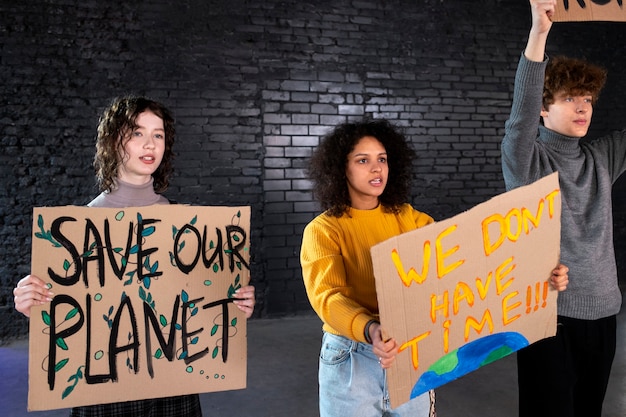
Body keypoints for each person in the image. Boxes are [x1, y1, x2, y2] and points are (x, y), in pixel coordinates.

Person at [300, 118, 569, 417]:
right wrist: (370, 328)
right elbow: (328, 296)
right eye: (363, 160)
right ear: (341, 169)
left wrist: (538, 272)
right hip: (352, 358)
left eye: (382, 159)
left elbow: (468, 262)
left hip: (409, 350)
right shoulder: (323, 230)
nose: (376, 169)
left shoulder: (410, 219)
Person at [13, 96, 256, 417]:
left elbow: (195, 304)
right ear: (114, 141)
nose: (150, 144)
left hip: (171, 382)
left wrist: (234, 303)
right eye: (137, 133)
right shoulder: (77, 229)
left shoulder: (186, 228)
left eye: (158, 134)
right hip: (101, 388)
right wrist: (34, 302)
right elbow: (70, 314)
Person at [501, 1, 624, 416]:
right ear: (543, 107)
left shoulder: (600, 159)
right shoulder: (526, 158)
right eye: (571, 98)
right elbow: (519, 115)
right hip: (548, 315)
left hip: (605, 313)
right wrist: (539, 32)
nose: (583, 107)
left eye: (588, 98)